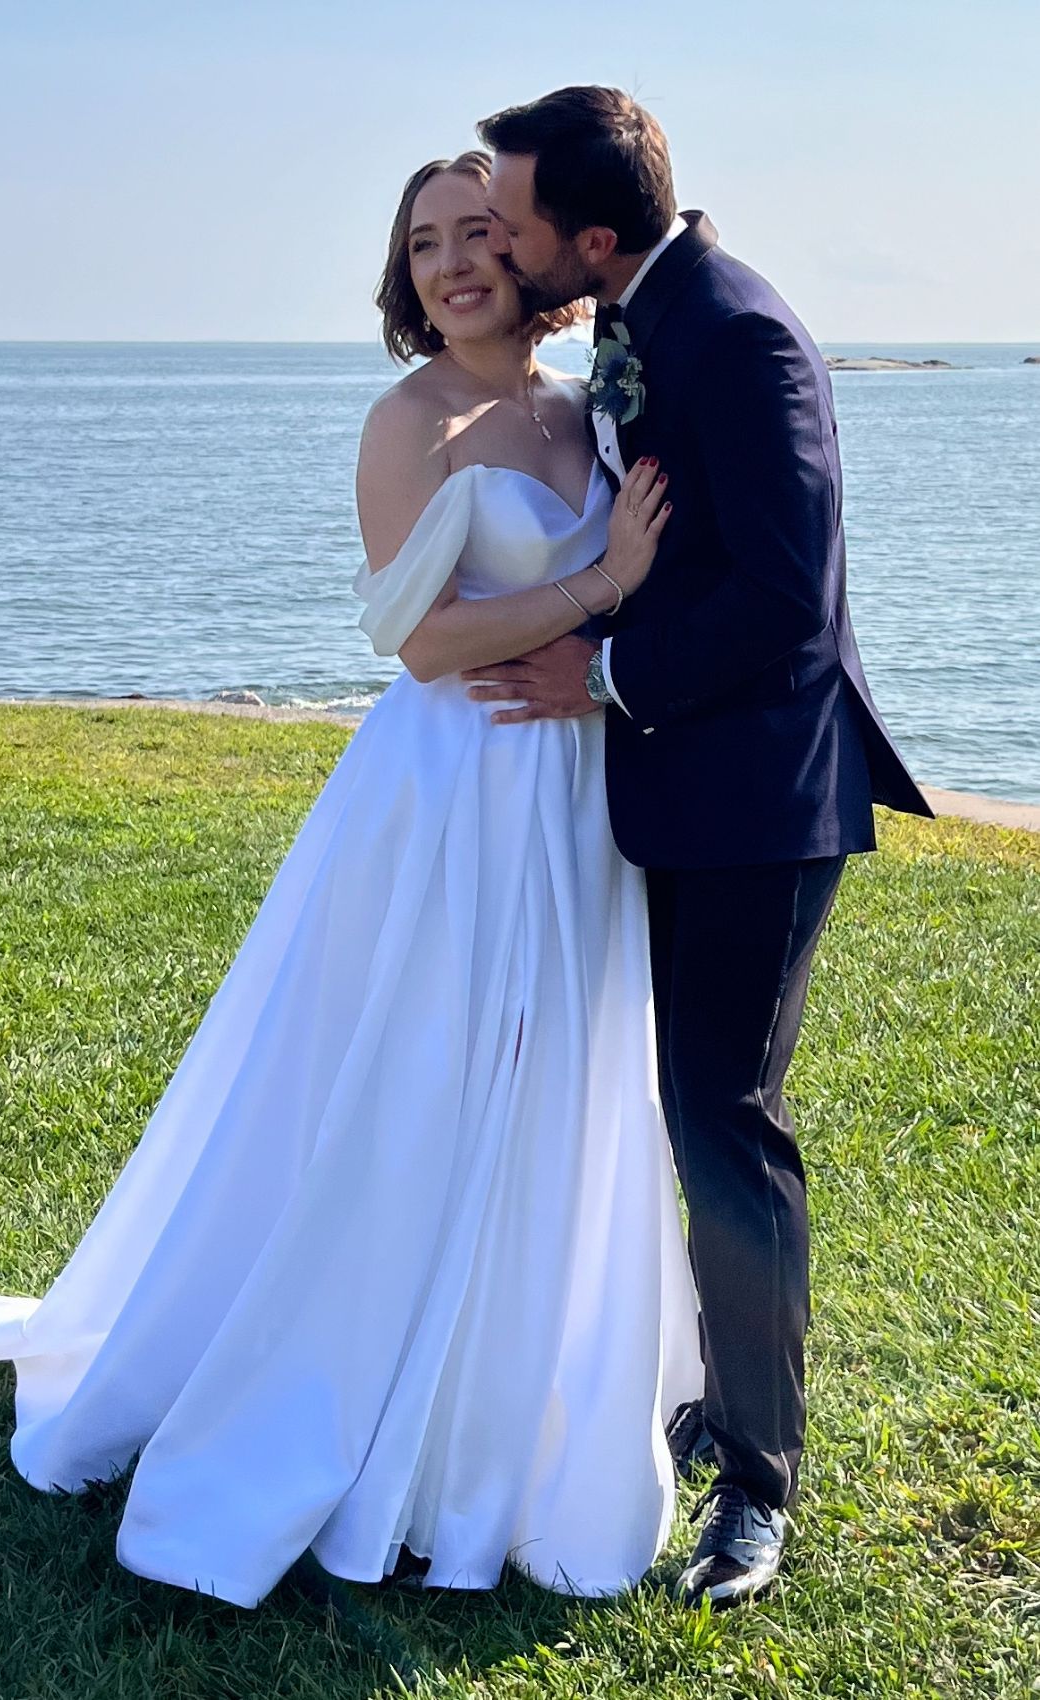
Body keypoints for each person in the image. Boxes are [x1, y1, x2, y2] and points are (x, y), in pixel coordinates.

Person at [0, 150, 703, 1608]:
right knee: (415, 1073)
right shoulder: (410, 420)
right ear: (402, 279)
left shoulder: (581, 400)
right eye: (424, 246)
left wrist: (615, 644)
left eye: (480, 233)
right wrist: (602, 589)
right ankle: (350, 1384)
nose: (456, 263)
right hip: (450, 794)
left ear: (532, 256)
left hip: (571, 794)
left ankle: (517, 1375)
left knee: (557, 1070)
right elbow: (418, 648)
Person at [469, 86, 934, 1608]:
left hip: (754, 802)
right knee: (676, 1106)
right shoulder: (643, 312)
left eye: (517, 221)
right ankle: (712, 1393)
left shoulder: (736, 334)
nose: (500, 236)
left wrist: (603, 675)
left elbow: (787, 597)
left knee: (725, 1117)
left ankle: (758, 1484)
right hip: (667, 790)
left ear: (591, 238)